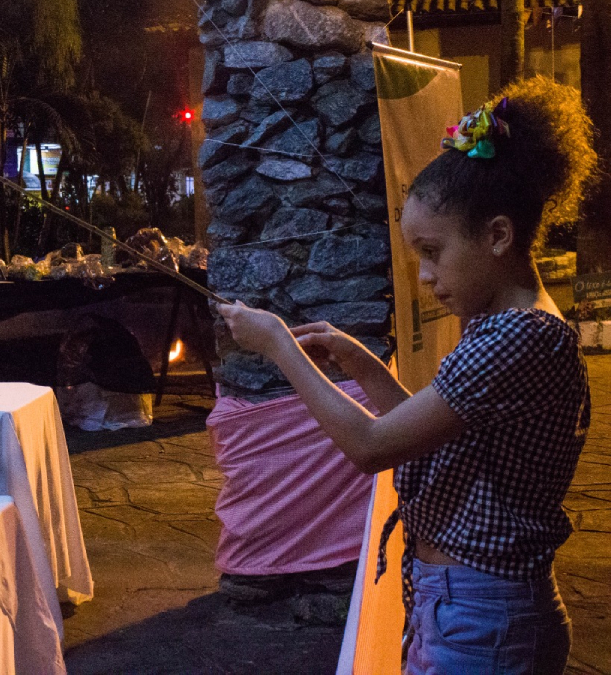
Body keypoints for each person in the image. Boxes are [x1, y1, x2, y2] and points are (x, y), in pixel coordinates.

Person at [216, 76, 595, 673]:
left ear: (498, 235)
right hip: (471, 610)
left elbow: (372, 447)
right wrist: (360, 361)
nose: (423, 275)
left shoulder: (518, 336)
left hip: (483, 619)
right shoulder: (510, 328)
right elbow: (427, 431)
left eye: (433, 251)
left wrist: (277, 347)